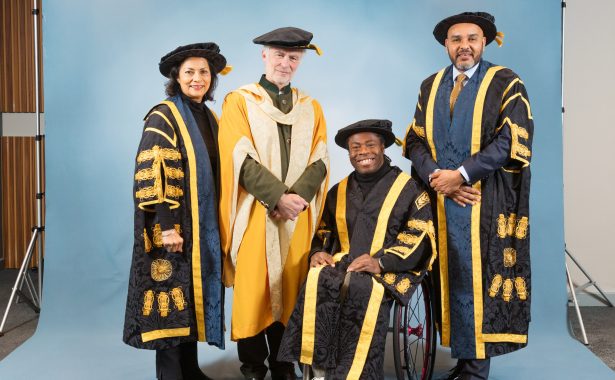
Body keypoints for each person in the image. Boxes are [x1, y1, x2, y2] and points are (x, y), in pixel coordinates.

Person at [403, 12, 534, 380]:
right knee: (452, 278)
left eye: (472, 38)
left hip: (483, 199)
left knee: (478, 275)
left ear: (485, 42)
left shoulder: (506, 82)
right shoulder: (430, 85)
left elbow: (513, 138)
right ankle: (463, 361)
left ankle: (475, 370)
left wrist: (460, 175)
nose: (464, 46)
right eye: (456, 39)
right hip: (440, 202)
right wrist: (434, 175)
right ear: (446, 44)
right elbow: (413, 139)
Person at [277, 119, 437, 379]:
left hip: (390, 269)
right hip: (346, 263)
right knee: (318, 280)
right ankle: (318, 371)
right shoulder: (338, 191)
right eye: (355, 147)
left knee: (362, 288)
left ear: (383, 147)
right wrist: (318, 251)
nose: (363, 152)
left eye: (370, 145)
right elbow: (324, 232)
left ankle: (354, 374)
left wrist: (381, 262)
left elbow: (419, 235)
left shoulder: (408, 189)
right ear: (349, 152)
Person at [218, 27, 329, 380]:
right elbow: (238, 155)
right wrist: (278, 197)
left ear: (300, 62)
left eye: (293, 57)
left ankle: (284, 365)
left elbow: (321, 157)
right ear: (264, 56)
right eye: (279, 55)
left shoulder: (310, 107)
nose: (286, 63)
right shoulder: (240, 101)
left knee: (292, 287)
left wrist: (295, 200)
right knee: (254, 288)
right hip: (255, 211)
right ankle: (252, 366)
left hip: (297, 214)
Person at [123, 42, 231, 380]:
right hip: (169, 225)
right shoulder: (164, 114)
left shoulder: (210, 117)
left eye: (204, 72)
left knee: (189, 296)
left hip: (200, 226)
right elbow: (153, 172)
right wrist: (168, 226)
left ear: (212, 79)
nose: (197, 78)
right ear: (177, 77)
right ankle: (170, 374)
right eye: (190, 72)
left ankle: (190, 369)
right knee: (168, 297)